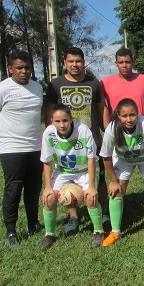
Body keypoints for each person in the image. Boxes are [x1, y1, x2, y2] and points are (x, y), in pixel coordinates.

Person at [0, 50, 44, 250]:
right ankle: (11, 232)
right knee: (14, 189)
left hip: (35, 147)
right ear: (10, 69)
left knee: (33, 188)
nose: (24, 71)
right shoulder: (1, 90)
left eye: (27, 67)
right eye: (19, 68)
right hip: (11, 148)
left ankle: (33, 224)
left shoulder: (37, 87)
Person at [45, 46, 107, 235]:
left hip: (91, 137)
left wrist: (108, 132)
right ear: (64, 63)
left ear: (83, 63)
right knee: (68, 178)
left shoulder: (94, 83)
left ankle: (103, 213)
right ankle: (73, 217)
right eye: (71, 61)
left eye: (78, 61)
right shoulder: (55, 84)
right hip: (65, 140)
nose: (74, 65)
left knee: (99, 178)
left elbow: (101, 107)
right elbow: (49, 111)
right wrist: (51, 131)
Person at [99, 99, 144, 245]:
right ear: (118, 115)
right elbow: (106, 157)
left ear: (138, 114)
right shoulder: (112, 128)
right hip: (123, 161)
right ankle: (115, 232)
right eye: (124, 116)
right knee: (116, 191)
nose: (129, 119)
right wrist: (113, 182)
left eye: (132, 115)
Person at [39, 104, 103, 250]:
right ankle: (49, 234)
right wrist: (48, 187)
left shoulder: (83, 130)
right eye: (57, 121)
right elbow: (47, 161)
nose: (62, 125)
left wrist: (92, 186)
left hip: (85, 170)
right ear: (51, 121)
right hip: (63, 170)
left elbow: (91, 159)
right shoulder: (49, 133)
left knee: (90, 197)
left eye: (65, 120)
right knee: (49, 198)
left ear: (71, 118)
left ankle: (98, 231)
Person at [101, 47, 144, 125]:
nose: (124, 65)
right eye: (121, 62)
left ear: (133, 62)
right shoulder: (105, 83)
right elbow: (100, 106)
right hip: (117, 130)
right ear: (116, 64)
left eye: (127, 62)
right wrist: (107, 127)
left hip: (140, 129)